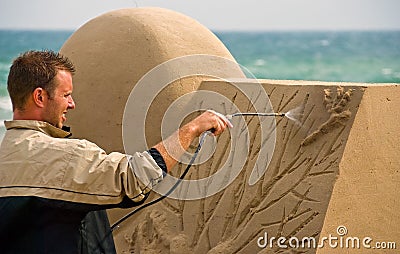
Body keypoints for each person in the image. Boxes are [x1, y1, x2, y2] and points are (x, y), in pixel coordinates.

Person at [0, 50, 229, 253]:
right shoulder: (63, 156)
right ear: (40, 97)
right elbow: (133, 180)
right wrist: (192, 129)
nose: (72, 104)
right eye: (66, 95)